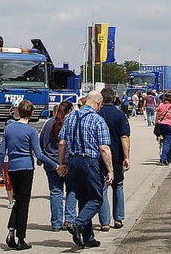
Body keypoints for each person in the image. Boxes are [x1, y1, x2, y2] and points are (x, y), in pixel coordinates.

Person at [57, 89, 113, 249]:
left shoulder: (71, 117)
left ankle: (88, 238)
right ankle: (78, 224)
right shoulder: (97, 120)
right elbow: (104, 148)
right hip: (89, 162)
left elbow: (62, 143)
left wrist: (61, 163)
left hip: (73, 161)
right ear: (98, 103)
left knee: (83, 199)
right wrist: (110, 169)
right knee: (96, 199)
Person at [0, 99, 52, 251]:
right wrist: (55, 165)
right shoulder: (31, 131)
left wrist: (0, 172)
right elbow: (39, 154)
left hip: (12, 167)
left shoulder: (9, 128)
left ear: (18, 111)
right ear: (32, 113)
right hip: (26, 167)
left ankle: (11, 231)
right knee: (24, 203)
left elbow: (2, 152)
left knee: (17, 200)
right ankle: (21, 238)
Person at [39, 101, 77, 232]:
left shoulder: (48, 123)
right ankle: (70, 220)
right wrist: (63, 164)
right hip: (67, 163)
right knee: (72, 191)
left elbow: (41, 142)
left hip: (51, 163)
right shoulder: (71, 124)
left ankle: (56, 223)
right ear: (69, 111)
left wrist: (55, 164)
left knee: (56, 192)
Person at [98, 87, 130, 232]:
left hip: (99, 156)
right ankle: (118, 218)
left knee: (103, 188)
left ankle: (104, 222)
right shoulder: (120, 115)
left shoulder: (97, 114)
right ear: (114, 98)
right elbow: (124, 137)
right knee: (118, 186)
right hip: (116, 156)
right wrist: (127, 156)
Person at [155, 91, 171, 165]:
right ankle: (163, 159)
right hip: (170, 125)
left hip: (161, 125)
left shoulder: (160, 105)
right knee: (167, 142)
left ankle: (169, 158)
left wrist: (156, 125)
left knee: (166, 141)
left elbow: (157, 117)